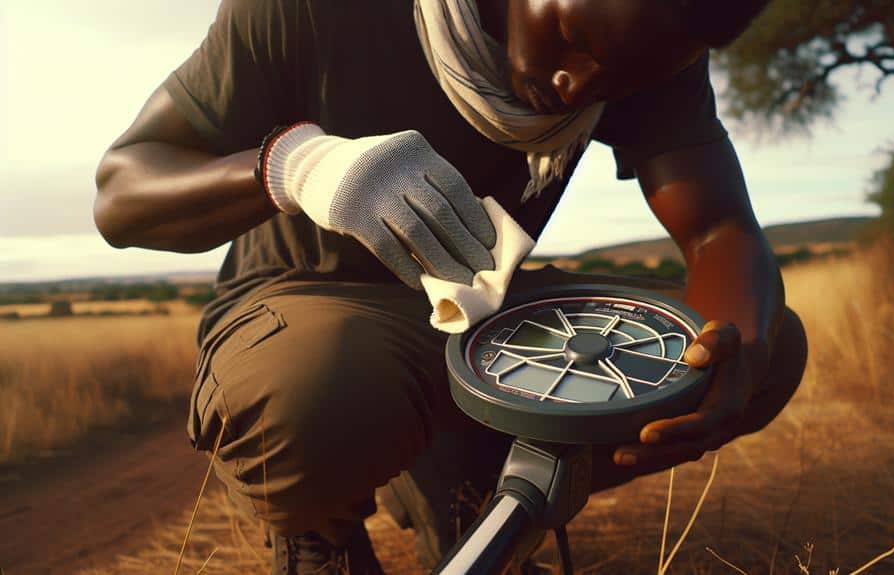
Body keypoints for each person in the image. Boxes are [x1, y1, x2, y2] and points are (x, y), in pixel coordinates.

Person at [94, 0, 807, 573]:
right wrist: (298, 166)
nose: (576, 88)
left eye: (617, 81)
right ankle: (321, 527)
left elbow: (718, 229)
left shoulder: (639, 40)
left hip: (478, 313)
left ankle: (478, 501)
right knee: (312, 396)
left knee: (764, 344)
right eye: (569, 37)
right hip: (309, 303)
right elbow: (122, 192)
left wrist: (725, 359)